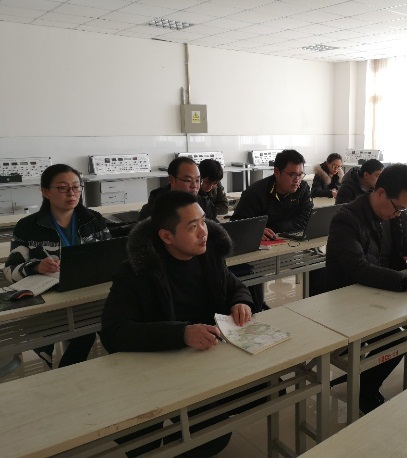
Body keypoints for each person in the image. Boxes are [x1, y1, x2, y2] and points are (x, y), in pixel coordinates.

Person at [101, 190, 253, 457]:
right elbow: (114, 332)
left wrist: (241, 302)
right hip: (153, 371)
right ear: (166, 236)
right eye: (192, 227)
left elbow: (235, 287)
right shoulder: (136, 271)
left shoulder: (209, 257)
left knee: (215, 433)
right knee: (151, 443)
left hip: (202, 364)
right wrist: (180, 333)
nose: (204, 232)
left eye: (204, 222)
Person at [325, 163, 407, 415]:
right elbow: (359, 269)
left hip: (383, 290)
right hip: (350, 298)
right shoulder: (347, 219)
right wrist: (405, 282)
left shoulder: (396, 215)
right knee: (396, 338)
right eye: (398, 208)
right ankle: (365, 392)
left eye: (404, 209)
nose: (399, 214)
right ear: (380, 193)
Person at [4, 164, 111, 368]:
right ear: (45, 192)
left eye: (76, 187)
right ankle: (67, 376)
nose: (71, 193)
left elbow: (110, 257)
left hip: (93, 294)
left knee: (113, 330)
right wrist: (36, 266)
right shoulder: (28, 227)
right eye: (62, 188)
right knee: (83, 334)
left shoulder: (93, 220)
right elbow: (10, 270)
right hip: (55, 301)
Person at [231, 149, 313, 241]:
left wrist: (274, 229)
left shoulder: (303, 188)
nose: (297, 180)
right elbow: (236, 225)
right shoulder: (255, 193)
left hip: (289, 240)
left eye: (300, 174)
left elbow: (307, 219)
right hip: (263, 243)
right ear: (277, 172)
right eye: (292, 174)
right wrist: (255, 230)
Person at [138, 157, 216, 221]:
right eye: (188, 180)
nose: (194, 186)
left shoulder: (203, 203)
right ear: (172, 180)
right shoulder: (154, 208)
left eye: (197, 180)